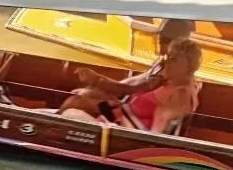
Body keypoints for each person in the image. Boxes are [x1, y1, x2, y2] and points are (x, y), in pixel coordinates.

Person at [60, 37, 203, 135]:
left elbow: (154, 137)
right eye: (168, 57)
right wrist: (97, 85)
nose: (168, 62)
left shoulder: (181, 95)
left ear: (188, 65)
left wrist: (116, 126)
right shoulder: (168, 79)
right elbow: (129, 86)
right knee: (81, 97)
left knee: (71, 111)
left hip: (118, 130)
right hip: (117, 116)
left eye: (174, 59)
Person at [58, 19, 194, 117]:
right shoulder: (162, 63)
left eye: (164, 39)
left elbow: (130, 89)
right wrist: (99, 85)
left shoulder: (170, 72)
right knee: (86, 93)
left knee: (75, 101)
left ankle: (47, 127)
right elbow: (129, 84)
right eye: (160, 36)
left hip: (126, 115)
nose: (159, 41)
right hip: (125, 107)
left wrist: (97, 80)